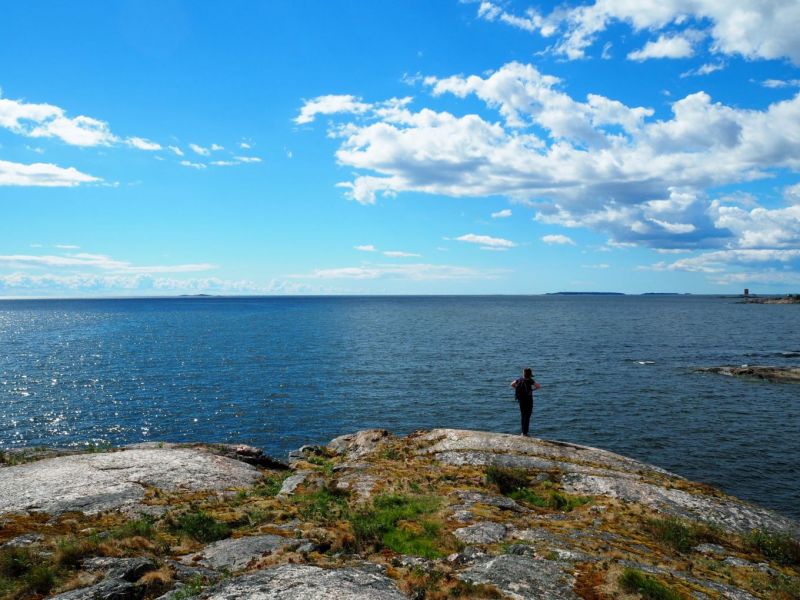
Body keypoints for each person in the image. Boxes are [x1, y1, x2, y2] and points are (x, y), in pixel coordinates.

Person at [510, 367, 541, 436]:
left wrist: (517, 388)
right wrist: (532, 390)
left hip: (521, 399)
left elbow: (511, 384)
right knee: (527, 415)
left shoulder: (519, 380)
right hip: (528, 400)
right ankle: (525, 433)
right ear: (530, 374)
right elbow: (538, 386)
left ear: (523, 373)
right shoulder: (530, 380)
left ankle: (523, 432)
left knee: (523, 415)